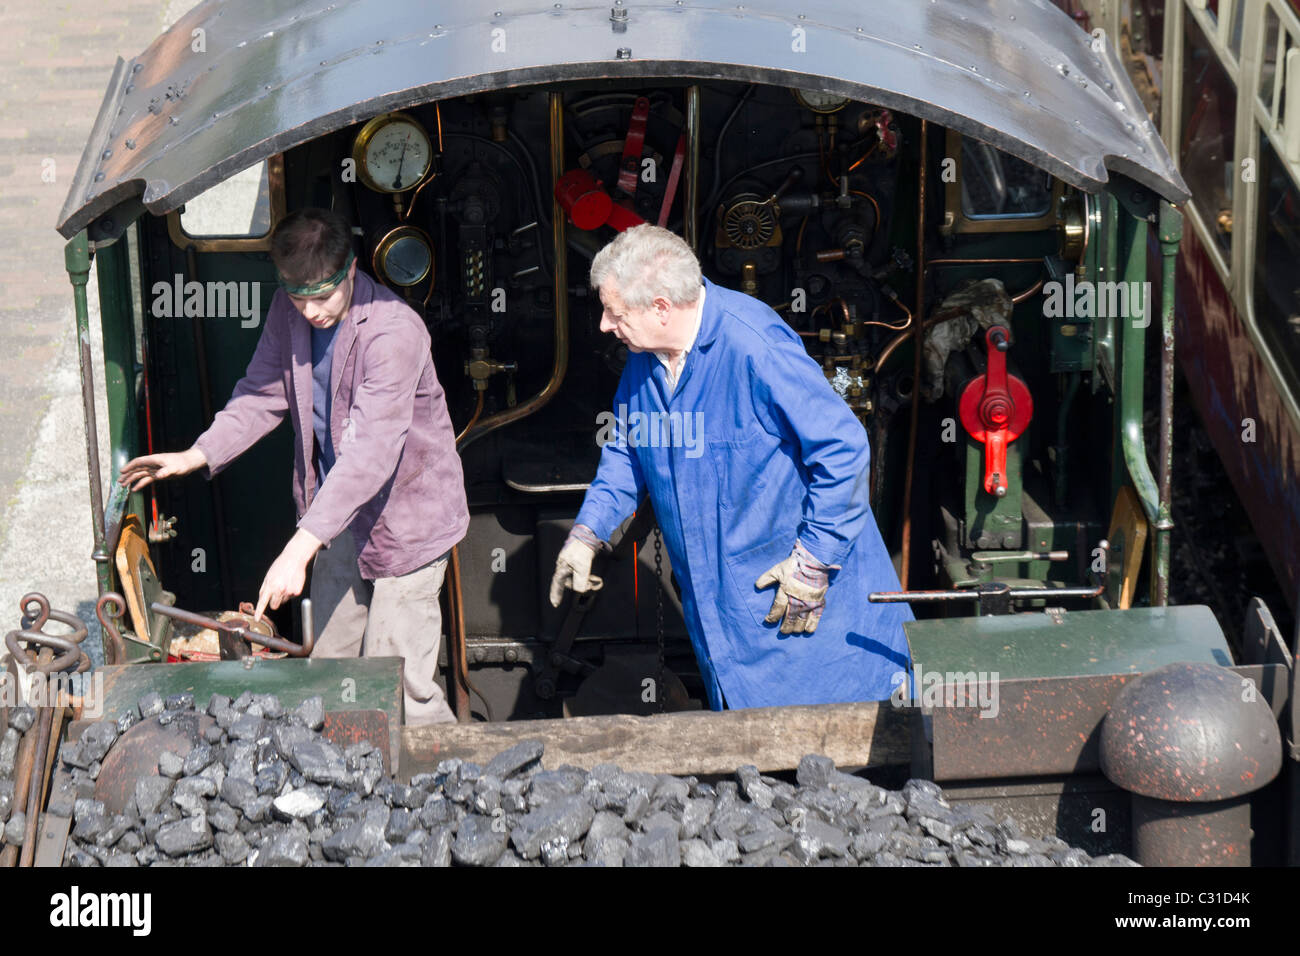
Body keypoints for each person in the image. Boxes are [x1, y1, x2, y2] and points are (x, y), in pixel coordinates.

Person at [119, 208, 468, 724]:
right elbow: (260, 395)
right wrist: (196, 454)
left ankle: (441, 787)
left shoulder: (395, 332)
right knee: (326, 671)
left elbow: (371, 453)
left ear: (350, 270)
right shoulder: (289, 311)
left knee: (399, 686)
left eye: (322, 296)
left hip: (407, 524)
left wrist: (298, 549)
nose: (310, 312)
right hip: (339, 518)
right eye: (299, 297)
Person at [550, 224, 912, 709]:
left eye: (615, 313)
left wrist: (814, 563)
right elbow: (627, 453)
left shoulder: (753, 346)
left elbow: (842, 448)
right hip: (723, 617)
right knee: (758, 770)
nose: (604, 326)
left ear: (660, 308)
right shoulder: (645, 361)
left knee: (843, 765)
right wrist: (587, 533)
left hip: (804, 613)